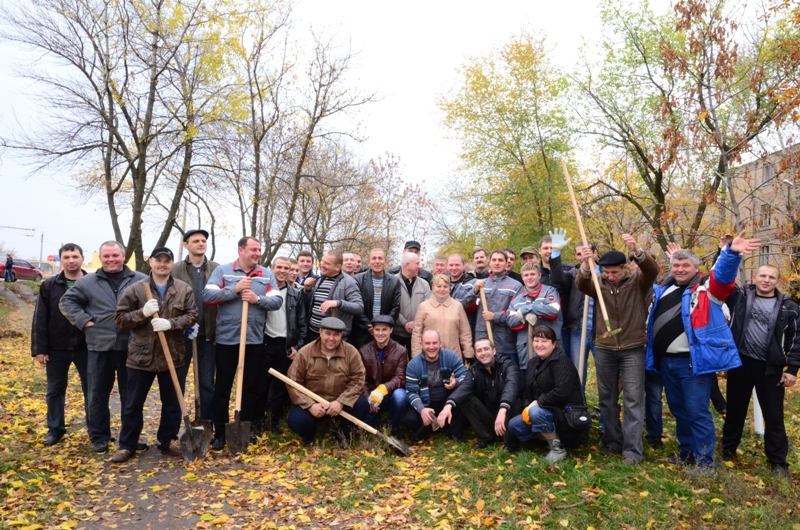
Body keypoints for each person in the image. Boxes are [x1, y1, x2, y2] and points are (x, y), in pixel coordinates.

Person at [645, 232, 759, 475]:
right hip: (666, 363)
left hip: (692, 364)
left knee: (697, 413)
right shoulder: (663, 289)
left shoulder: (708, 291)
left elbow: (724, 277)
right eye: (676, 265)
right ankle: (686, 454)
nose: (680, 269)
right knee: (679, 411)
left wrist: (731, 253)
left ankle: (705, 463)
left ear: (697, 268)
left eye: (686, 265)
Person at [576, 234, 657, 464]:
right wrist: (585, 262)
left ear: (624, 269)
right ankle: (612, 442)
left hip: (632, 348)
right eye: (606, 272)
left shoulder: (637, 282)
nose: (610, 276)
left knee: (633, 399)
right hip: (604, 347)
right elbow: (581, 283)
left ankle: (632, 451)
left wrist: (638, 252)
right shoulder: (598, 284)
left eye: (615, 272)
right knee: (607, 397)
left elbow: (651, 271)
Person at [111, 247, 198, 463]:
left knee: (172, 403)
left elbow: (192, 315)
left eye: (167, 261)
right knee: (133, 403)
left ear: (171, 264)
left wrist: (171, 323)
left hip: (173, 354)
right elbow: (120, 319)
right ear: (150, 262)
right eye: (158, 260)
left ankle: (167, 440)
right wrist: (143, 313)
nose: (162, 264)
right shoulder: (135, 290)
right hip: (141, 356)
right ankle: (128, 444)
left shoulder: (183, 289)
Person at [60, 241, 147, 453]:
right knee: (97, 394)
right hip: (100, 346)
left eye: (115, 255)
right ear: (101, 258)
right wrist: (85, 321)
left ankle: (130, 438)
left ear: (123, 256)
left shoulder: (141, 280)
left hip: (130, 346)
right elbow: (66, 302)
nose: (111, 260)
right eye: (106, 256)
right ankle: (99, 436)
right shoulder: (88, 282)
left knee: (131, 396)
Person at [202, 237, 283, 451]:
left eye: (259, 250)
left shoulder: (266, 274)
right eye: (253, 249)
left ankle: (244, 429)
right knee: (223, 387)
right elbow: (207, 296)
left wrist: (258, 300)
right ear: (241, 250)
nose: (257, 253)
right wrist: (235, 289)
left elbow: (277, 301)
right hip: (228, 339)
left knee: (250, 387)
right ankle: (220, 433)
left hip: (254, 340)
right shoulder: (223, 271)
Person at [722, 263, 799, 476]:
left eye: (771, 277)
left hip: (771, 368)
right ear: (754, 277)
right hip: (741, 363)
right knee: (735, 411)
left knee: (774, 417)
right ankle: (727, 451)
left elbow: (796, 340)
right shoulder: (740, 297)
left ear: (778, 281)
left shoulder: (789, 307)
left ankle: (777, 463)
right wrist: (725, 254)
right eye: (763, 276)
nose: (766, 280)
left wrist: (792, 369)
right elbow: (722, 279)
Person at [31, 243, 89, 446]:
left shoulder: (93, 283)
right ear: (61, 260)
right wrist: (39, 348)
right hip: (57, 348)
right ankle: (55, 429)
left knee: (92, 390)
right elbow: (40, 317)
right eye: (66, 257)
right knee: (55, 390)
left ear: (82, 258)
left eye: (75, 256)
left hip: (87, 347)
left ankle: (96, 430)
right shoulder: (49, 285)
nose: (71, 260)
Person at [507, 326, 586, 463]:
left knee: (536, 412)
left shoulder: (561, 362)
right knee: (514, 425)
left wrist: (538, 403)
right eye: (536, 340)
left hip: (565, 413)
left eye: (544, 341)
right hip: (545, 411)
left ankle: (558, 449)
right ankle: (552, 437)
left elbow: (562, 392)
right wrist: (528, 406)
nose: (539, 345)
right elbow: (527, 389)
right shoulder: (533, 363)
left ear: (554, 343)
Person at [286, 317, 368, 446]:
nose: (331, 338)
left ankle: (342, 437)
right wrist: (310, 405)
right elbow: (293, 382)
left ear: (342, 335)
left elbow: (358, 379)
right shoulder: (305, 353)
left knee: (362, 405)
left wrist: (341, 402)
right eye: (328, 333)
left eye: (336, 334)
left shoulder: (351, 352)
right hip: (314, 404)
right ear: (320, 332)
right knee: (297, 420)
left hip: (339, 405)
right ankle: (310, 436)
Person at [171, 228, 219, 424]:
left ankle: (205, 423)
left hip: (208, 336)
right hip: (181, 337)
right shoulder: (175, 270)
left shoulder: (217, 269)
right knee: (177, 382)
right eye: (196, 241)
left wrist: (217, 331)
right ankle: (174, 425)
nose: (201, 244)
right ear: (186, 245)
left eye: (203, 241)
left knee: (207, 383)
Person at [257, 256, 307, 435]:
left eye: (286, 268)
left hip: (285, 347)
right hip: (264, 344)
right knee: (260, 386)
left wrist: (298, 346)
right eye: (279, 267)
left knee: (280, 388)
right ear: (271, 268)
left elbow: (302, 324)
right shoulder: (262, 291)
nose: (283, 271)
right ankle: (257, 422)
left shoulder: (296, 295)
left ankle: (274, 422)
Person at [444, 338, 521, 450]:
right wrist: (448, 405)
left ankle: (510, 443)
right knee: (465, 398)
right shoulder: (474, 370)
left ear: (494, 351)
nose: (483, 353)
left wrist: (503, 408)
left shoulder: (508, 365)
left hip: (506, 415)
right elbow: (464, 388)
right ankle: (486, 437)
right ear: (475, 354)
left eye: (486, 349)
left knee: (514, 400)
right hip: (489, 416)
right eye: (479, 351)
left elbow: (512, 386)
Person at [403, 330, 468, 440]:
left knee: (466, 400)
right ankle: (427, 431)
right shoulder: (413, 365)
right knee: (409, 419)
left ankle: (453, 431)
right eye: (427, 343)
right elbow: (411, 391)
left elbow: (466, 378)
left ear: (440, 343)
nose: (431, 347)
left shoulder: (450, 356)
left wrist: (455, 382)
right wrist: (422, 409)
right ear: (421, 345)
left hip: (446, 400)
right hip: (426, 402)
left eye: (434, 343)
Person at [551, 241, 598, 387]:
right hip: (578, 330)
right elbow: (557, 278)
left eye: (585, 252)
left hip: (601, 331)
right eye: (578, 254)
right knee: (578, 372)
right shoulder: (574, 273)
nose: (582, 257)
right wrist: (555, 253)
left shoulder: (606, 272)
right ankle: (579, 406)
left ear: (595, 253)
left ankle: (607, 408)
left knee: (606, 371)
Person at [462, 250, 523, 361]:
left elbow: (517, 314)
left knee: (507, 375)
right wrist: (474, 290)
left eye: (500, 260)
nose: (497, 263)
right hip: (482, 341)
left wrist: (495, 316)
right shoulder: (481, 284)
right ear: (489, 262)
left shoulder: (515, 286)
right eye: (494, 260)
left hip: (504, 342)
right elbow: (463, 305)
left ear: (506, 263)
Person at [507, 262, 562, 374]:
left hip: (549, 349)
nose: (529, 277)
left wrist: (526, 309)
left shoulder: (549, 291)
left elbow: (553, 309)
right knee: (529, 385)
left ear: (539, 275)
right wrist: (525, 317)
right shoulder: (516, 299)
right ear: (522, 277)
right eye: (526, 275)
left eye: (532, 274)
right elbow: (510, 321)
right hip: (526, 349)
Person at [360, 315, 408, 437]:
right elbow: (361, 379)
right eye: (377, 329)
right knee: (367, 425)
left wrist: (383, 389)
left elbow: (400, 377)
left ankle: (393, 426)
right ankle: (373, 418)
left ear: (391, 330)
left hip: (390, 393)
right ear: (373, 330)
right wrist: (368, 399)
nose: (380, 333)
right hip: (371, 394)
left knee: (401, 396)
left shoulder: (401, 351)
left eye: (384, 329)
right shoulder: (364, 350)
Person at [303, 249, 364, 343]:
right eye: (322, 261)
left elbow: (359, 307)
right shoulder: (320, 279)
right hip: (313, 334)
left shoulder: (349, 282)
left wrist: (337, 303)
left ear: (337, 267)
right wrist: (308, 290)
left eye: (326, 263)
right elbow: (312, 304)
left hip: (333, 338)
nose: (321, 264)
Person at [411, 274, 474, 363]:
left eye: (445, 286)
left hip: (453, 355)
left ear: (450, 288)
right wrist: (416, 356)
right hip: (429, 356)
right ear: (433, 288)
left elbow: (465, 332)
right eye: (439, 286)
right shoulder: (423, 306)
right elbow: (417, 333)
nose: (442, 289)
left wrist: (468, 353)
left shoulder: (458, 306)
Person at [352, 249, 401, 349]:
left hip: (385, 333)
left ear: (386, 261)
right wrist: (368, 326)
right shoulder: (358, 279)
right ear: (369, 262)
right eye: (374, 258)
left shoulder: (394, 281)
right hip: (362, 332)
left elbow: (396, 307)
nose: (377, 261)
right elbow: (356, 305)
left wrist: (383, 327)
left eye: (380, 258)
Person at [393, 252, 431, 353]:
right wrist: (405, 323)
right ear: (407, 265)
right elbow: (391, 306)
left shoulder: (424, 284)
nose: (420, 266)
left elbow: (428, 307)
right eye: (417, 263)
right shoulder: (392, 281)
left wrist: (416, 323)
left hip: (418, 334)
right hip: (396, 333)